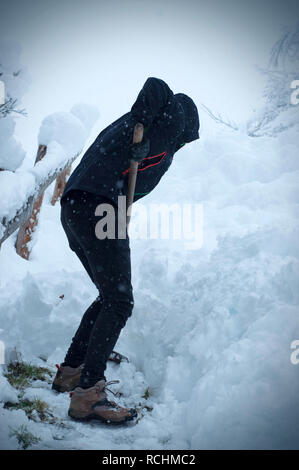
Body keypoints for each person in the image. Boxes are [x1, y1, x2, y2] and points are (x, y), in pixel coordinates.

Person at [52, 77, 200, 424]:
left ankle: (73, 371)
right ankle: (88, 395)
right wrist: (144, 123)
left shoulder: (153, 139)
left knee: (109, 297)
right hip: (96, 206)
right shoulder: (164, 117)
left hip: (77, 206)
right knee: (120, 301)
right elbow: (157, 85)